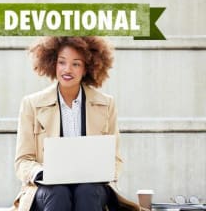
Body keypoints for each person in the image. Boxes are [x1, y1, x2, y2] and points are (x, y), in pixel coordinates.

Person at [12, 36, 125, 211]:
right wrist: (42, 173)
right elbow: (22, 161)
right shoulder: (31, 104)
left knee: (87, 191)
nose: (67, 69)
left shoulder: (106, 104)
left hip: (91, 186)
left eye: (76, 64)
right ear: (52, 64)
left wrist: (102, 172)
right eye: (62, 62)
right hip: (47, 189)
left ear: (87, 67)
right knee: (58, 192)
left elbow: (115, 160)